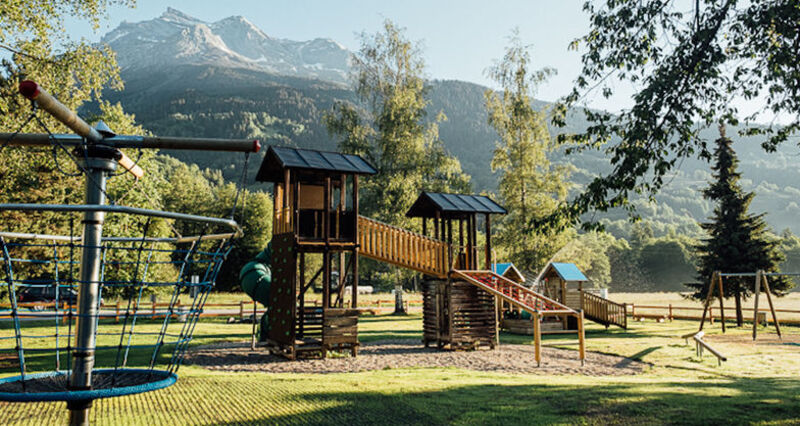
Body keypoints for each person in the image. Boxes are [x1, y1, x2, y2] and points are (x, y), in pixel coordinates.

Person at [239, 242, 272, 341]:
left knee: (279, 304)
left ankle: (263, 332)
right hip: (254, 273)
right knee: (281, 302)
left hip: (251, 273)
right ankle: (265, 331)